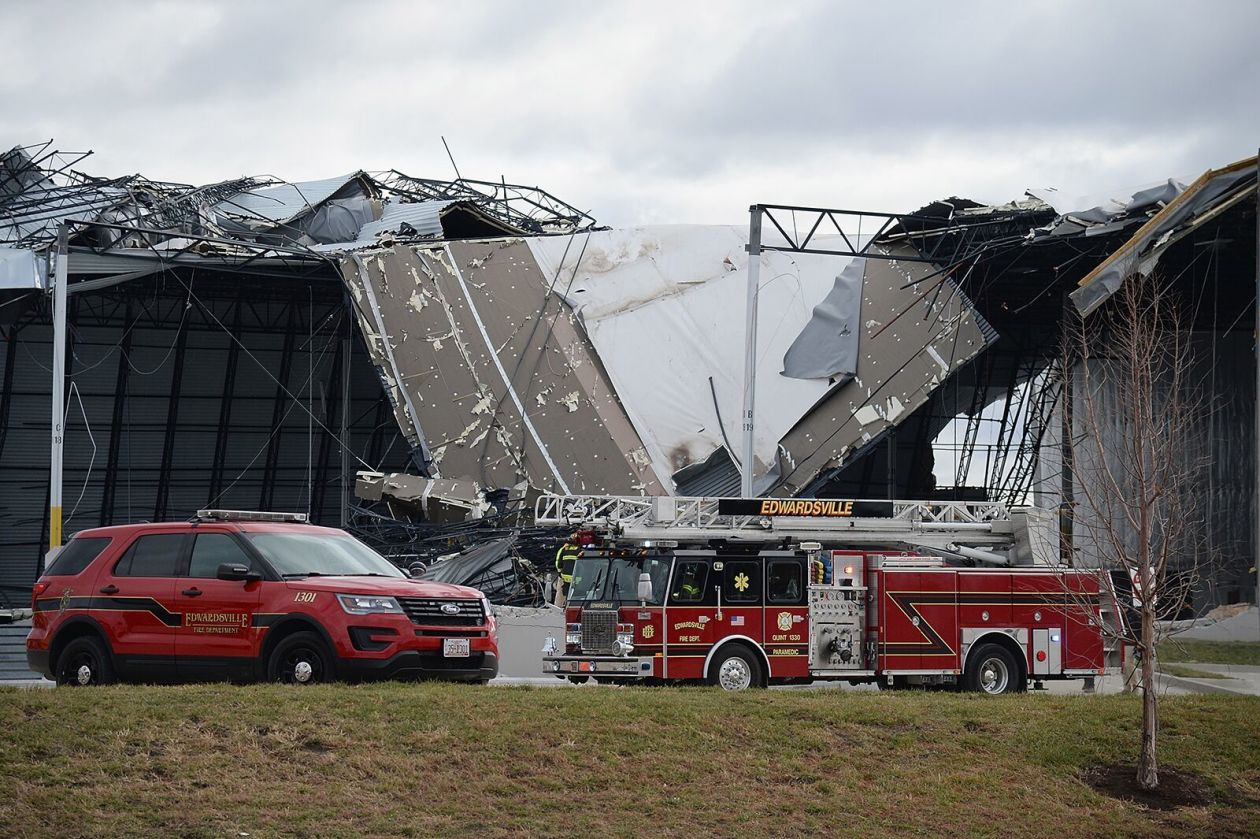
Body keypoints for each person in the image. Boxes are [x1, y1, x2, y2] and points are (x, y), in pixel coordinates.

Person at [554, 539, 580, 606]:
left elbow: (558, 564)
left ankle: (561, 605)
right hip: (577, 578)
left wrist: (560, 573)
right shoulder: (580, 550)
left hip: (565, 577)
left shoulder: (563, 549)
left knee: (562, 592)